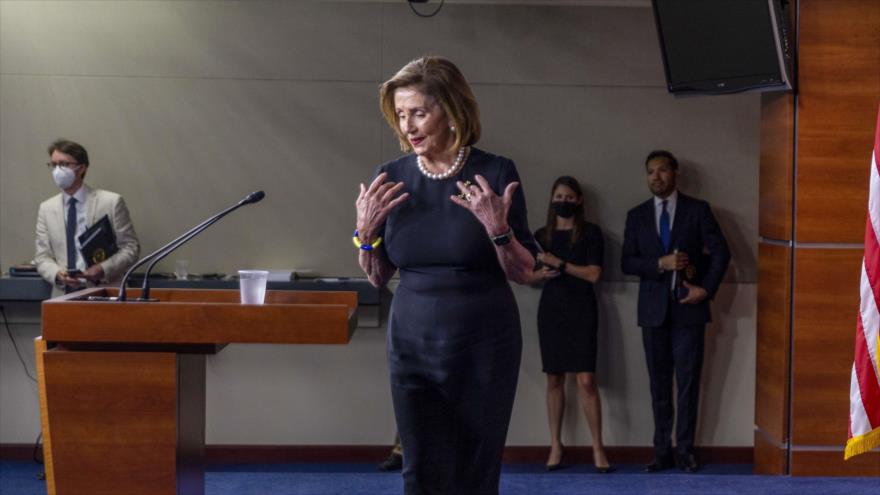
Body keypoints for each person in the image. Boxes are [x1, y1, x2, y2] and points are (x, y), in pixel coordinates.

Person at [355, 56, 537, 494]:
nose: (409, 126)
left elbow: (525, 270)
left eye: (419, 112)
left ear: (452, 112)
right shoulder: (390, 177)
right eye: (401, 115)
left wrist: (498, 231)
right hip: (412, 343)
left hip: (483, 344)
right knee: (418, 469)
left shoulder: (494, 173)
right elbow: (379, 276)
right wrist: (366, 235)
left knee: (475, 471)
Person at [621, 150, 730, 473]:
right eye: (651, 172)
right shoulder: (637, 215)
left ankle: (685, 450)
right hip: (652, 313)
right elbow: (627, 261)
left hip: (689, 311)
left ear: (675, 174)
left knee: (687, 383)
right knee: (658, 386)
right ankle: (661, 451)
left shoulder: (698, 210)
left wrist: (705, 290)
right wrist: (660, 264)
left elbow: (722, 253)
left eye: (662, 171)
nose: (657, 177)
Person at [527, 176, 611, 473]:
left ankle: (598, 448)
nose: (563, 201)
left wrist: (559, 264)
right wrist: (540, 274)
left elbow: (593, 274)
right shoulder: (541, 235)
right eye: (558, 196)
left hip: (582, 309)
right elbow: (528, 275)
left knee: (586, 380)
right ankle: (555, 445)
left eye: (568, 196)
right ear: (552, 200)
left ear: (578, 201)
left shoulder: (591, 233)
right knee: (554, 379)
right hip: (551, 310)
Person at [35, 139, 140, 293]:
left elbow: (131, 248)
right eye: (54, 164)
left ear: (81, 168)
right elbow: (42, 257)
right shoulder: (46, 208)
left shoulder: (111, 202)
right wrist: (58, 274)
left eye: (64, 164)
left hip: (105, 290)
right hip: (63, 294)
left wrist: (103, 269)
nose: (57, 170)